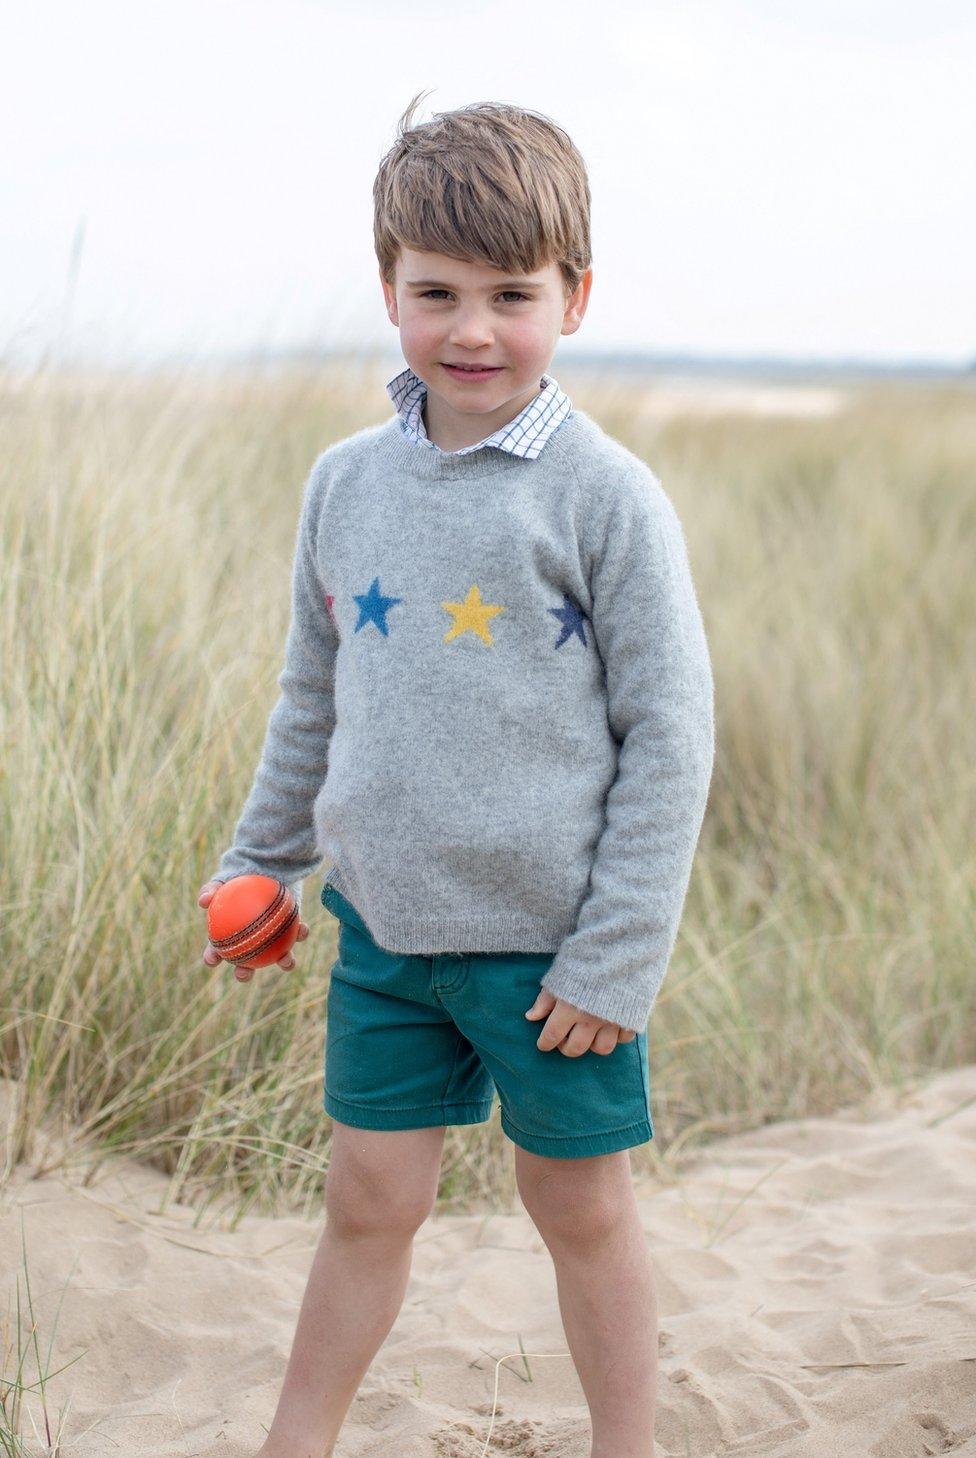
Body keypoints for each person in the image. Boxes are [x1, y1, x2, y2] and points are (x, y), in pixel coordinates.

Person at [198, 91, 714, 1458]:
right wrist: (261, 860)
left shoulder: (605, 497)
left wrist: (616, 956)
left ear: (575, 297)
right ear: (387, 289)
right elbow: (313, 695)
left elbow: (672, 734)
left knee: (579, 1205)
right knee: (367, 1200)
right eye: (436, 291)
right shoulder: (344, 483)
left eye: (512, 293)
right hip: (387, 934)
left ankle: (630, 1444)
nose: (473, 329)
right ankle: (295, 1436)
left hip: (554, 959)